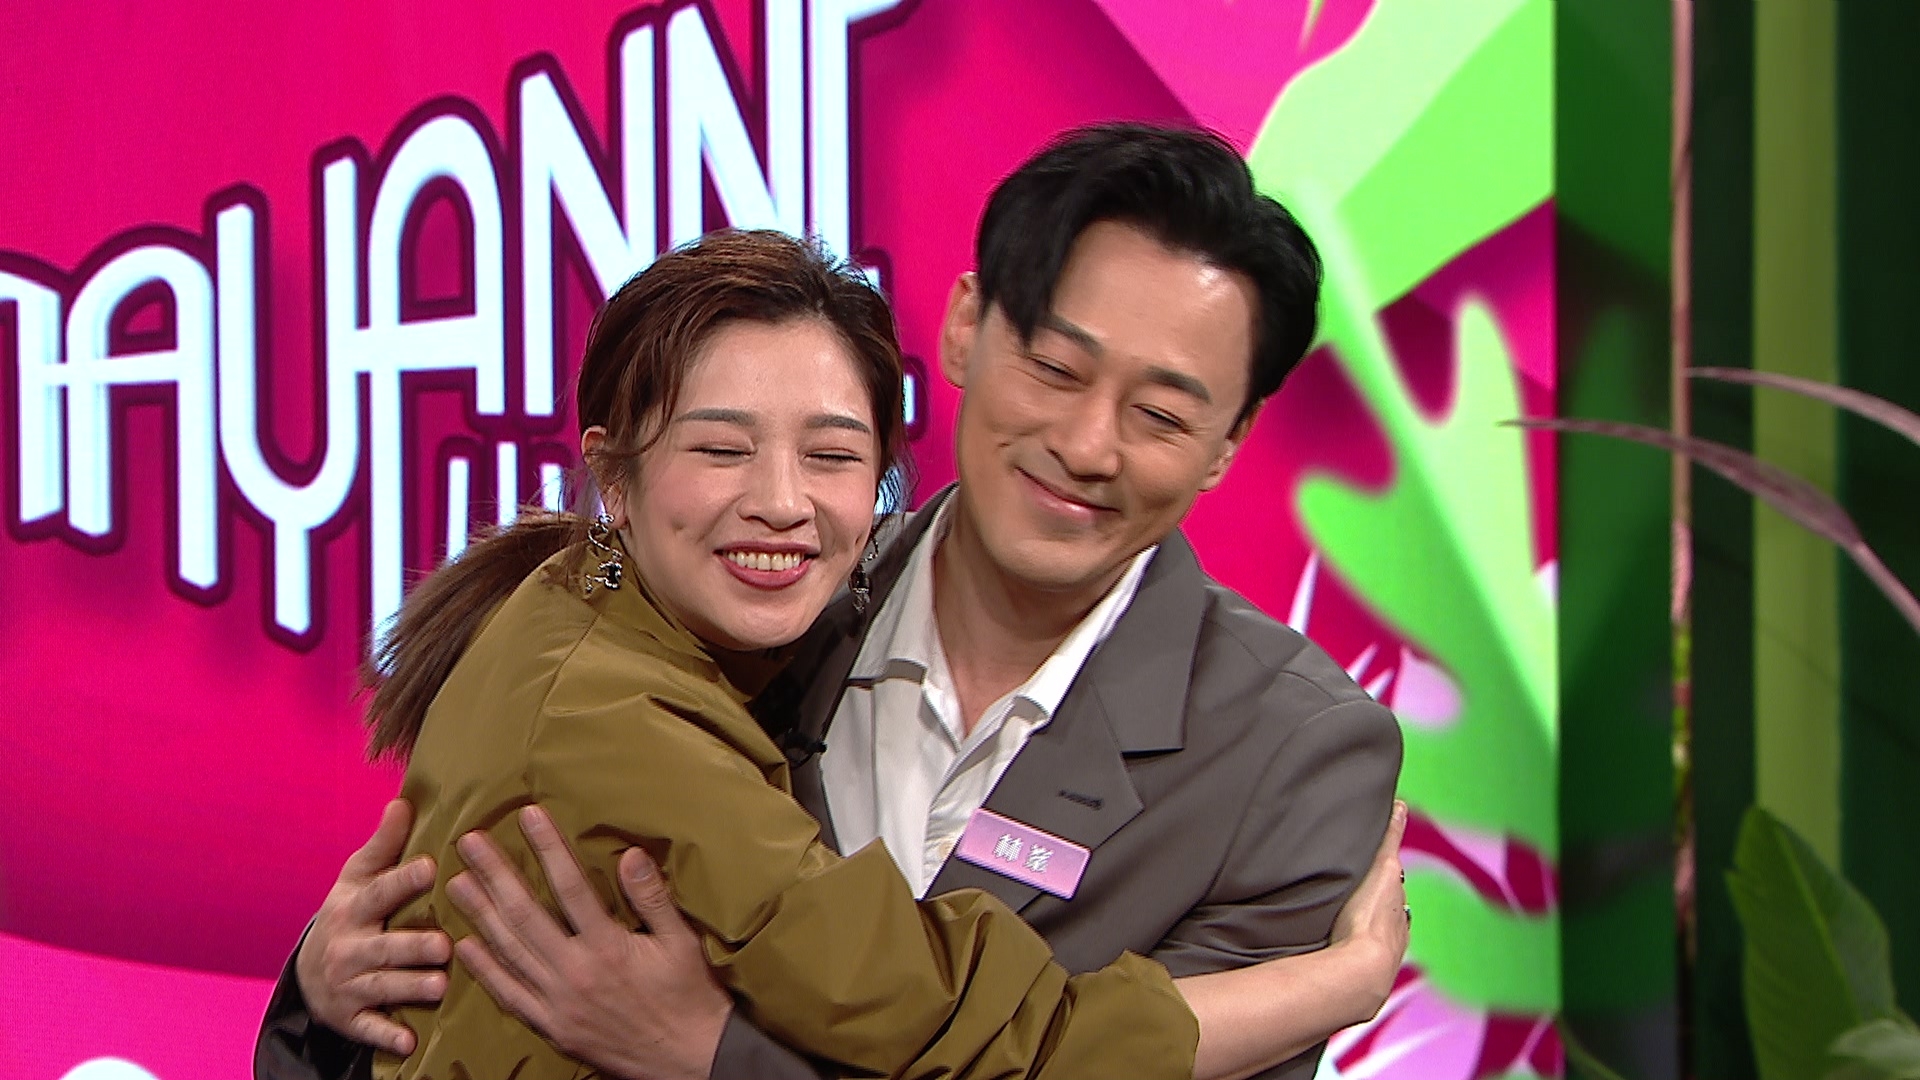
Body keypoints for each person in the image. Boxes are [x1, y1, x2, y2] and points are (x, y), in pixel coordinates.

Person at [257, 124, 1408, 1080]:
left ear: (1228, 444)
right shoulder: (744, 602)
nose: (1087, 444)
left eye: (1160, 415)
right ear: (966, 327)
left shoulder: (1294, 757)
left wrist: (716, 1059)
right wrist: (329, 977)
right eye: (1055, 369)